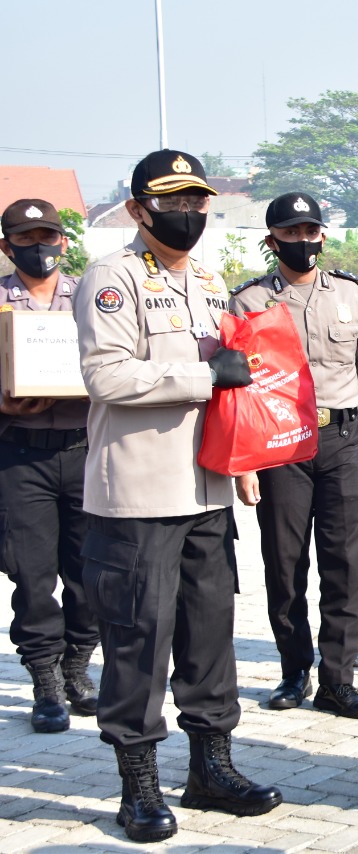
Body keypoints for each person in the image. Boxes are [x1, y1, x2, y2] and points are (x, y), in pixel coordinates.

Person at [73, 150, 281, 843]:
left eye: (196, 201)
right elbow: (107, 376)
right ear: (136, 210)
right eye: (171, 202)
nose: (187, 213)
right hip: (137, 495)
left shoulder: (210, 281)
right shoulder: (112, 278)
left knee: (209, 636)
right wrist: (201, 373)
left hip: (206, 487)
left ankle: (211, 769)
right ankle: (138, 787)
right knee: (137, 641)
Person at [229, 192, 358, 718]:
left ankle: (338, 681)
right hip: (279, 445)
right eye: (292, 233)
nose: (304, 241)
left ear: (322, 234)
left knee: (345, 565)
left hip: (343, 439)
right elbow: (237, 389)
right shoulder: (250, 302)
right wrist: (245, 460)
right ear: (272, 240)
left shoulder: (351, 295)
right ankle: (294, 670)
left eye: (311, 231)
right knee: (284, 562)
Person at [0, 199, 99, 733]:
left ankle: (78, 668)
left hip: (86, 447)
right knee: (32, 575)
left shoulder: (91, 294)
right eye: (26, 238)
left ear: (64, 241)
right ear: (6, 245)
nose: (40, 248)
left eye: (49, 236)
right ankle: (44, 681)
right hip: (21, 453)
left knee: (88, 569)